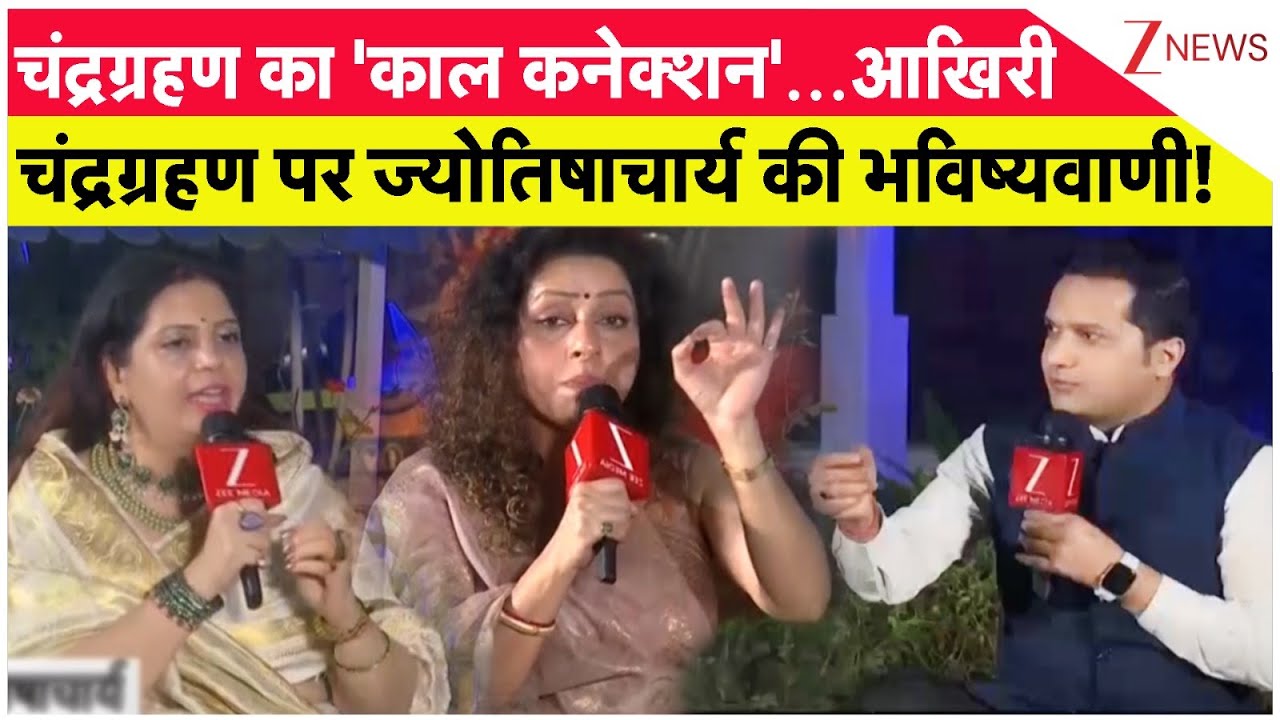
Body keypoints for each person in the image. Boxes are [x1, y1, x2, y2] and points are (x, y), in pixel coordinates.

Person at [353, 227, 832, 713]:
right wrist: (563, 554)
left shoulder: (677, 469)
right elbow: (435, 691)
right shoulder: (429, 491)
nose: (587, 342)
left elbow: (803, 600)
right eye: (554, 320)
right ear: (504, 342)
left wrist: (737, 428)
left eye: (613, 319)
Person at [811, 242, 1272, 713]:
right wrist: (862, 521)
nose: (1057, 357)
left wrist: (1118, 574)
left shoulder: (1242, 465)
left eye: (1089, 337)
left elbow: (1265, 654)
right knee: (895, 704)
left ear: (1165, 357)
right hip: (1029, 705)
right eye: (1053, 331)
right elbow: (892, 573)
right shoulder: (1001, 445)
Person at [7, 251, 450, 714]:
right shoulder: (55, 500)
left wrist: (343, 617)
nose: (211, 360)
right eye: (177, 343)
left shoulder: (294, 489)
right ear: (117, 374)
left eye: (227, 337)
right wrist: (201, 580)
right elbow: (34, 699)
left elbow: (395, 708)